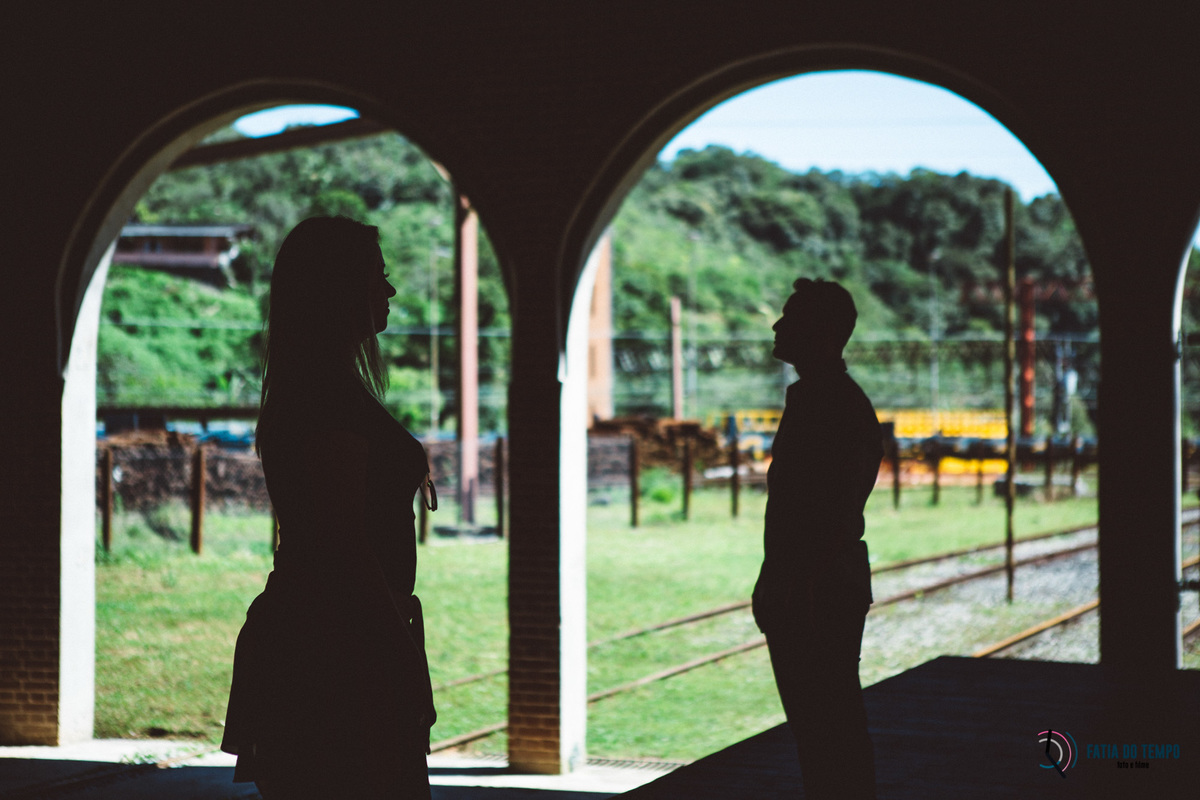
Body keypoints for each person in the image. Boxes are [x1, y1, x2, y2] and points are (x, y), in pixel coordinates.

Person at [221, 216, 437, 799]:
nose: (389, 291)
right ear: (338, 290)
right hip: (339, 656)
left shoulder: (324, 391)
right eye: (378, 277)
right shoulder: (324, 401)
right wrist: (404, 662)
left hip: (336, 643)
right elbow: (344, 550)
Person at [751, 278, 881, 800]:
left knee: (825, 731)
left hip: (814, 593)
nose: (778, 326)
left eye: (790, 317)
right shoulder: (830, 399)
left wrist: (790, 587)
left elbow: (822, 513)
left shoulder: (826, 405)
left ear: (821, 333)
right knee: (830, 729)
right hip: (821, 586)